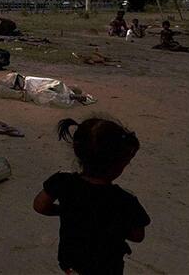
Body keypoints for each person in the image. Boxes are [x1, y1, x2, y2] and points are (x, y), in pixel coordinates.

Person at [33, 118, 150, 275]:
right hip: (107, 268)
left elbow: (40, 205)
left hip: (71, 265)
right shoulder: (124, 201)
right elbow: (137, 235)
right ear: (118, 165)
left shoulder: (63, 182)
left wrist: (65, 210)